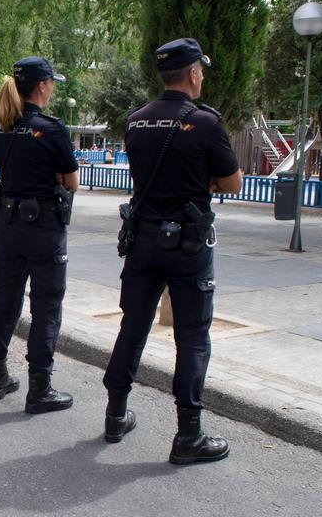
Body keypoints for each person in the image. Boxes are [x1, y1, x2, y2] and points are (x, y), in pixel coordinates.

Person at [101, 38, 243, 464]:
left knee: (133, 328)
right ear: (194, 73)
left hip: (142, 241)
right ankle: (188, 436)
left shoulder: (136, 121)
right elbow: (233, 183)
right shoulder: (205, 123)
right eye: (202, 70)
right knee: (193, 338)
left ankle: (114, 416)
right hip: (187, 245)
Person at [0, 56, 80, 414]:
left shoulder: (1, 129)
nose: (53, 88)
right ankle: (40, 388)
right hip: (43, 229)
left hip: (8, 226)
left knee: (5, 301)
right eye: (52, 82)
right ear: (42, 85)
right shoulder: (50, 129)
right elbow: (71, 182)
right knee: (47, 305)